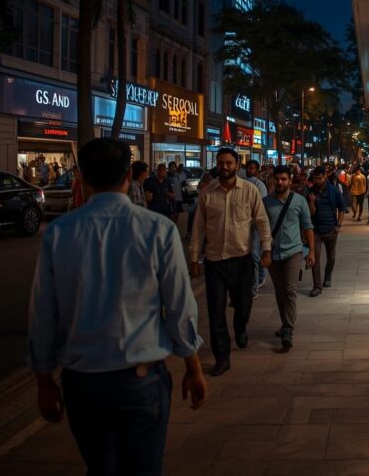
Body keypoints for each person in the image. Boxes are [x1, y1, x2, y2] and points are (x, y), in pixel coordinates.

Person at [27, 138, 207, 474]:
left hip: (81, 382)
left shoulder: (59, 233)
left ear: (82, 178)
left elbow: (42, 314)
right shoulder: (158, 229)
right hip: (140, 381)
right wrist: (192, 368)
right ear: (128, 176)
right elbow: (180, 307)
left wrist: (43, 380)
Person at [189, 148, 271, 376]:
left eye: (229, 163)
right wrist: (194, 257)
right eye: (221, 163)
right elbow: (198, 227)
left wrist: (266, 249)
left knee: (243, 304)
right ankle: (222, 357)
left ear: (237, 165)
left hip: (242, 259)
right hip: (215, 261)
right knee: (215, 312)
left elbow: (262, 221)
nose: (224, 167)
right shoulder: (207, 192)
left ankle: (240, 326)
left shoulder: (249, 190)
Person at [263, 166, 316, 350]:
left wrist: (312, 252)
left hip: (294, 251)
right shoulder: (266, 202)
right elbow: (260, 228)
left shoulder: (299, 201)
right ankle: (285, 322)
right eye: (277, 179)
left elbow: (308, 226)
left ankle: (288, 328)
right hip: (272, 253)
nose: (280, 182)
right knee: (279, 291)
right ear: (272, 180)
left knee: (290, 289)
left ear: (289, 180)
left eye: (284, 179)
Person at [307, 166, 347, 297]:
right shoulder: (311, 191)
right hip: (316, 230)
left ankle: (328, 274)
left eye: (320, 178)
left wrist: (338, 226)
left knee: (331, 256)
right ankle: (317, 286)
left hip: (331, 229)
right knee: (315, 258)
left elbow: (341, 209)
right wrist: (312, 202)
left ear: (325, 176)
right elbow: (311, 213)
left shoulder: (334, 190)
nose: (317, 181)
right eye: (315, 178)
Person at [244, 160, 269, 298]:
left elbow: (262, 206)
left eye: (252, 168)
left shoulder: (259, 185)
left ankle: (254, 287)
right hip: (244, 224)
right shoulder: (243, 183)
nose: (249, 170)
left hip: (255, 224)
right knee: (253, 254)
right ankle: (260, 276)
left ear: (257, 170)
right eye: (248, 167)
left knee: (253, 255)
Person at [169, 162, 185, 227]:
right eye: (172, 167)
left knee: (177, 215)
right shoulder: (168, 176)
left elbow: (184, 178)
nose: (173, 168)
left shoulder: (178, 175)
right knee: (172, 215)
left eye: (174, 166)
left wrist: (180, 171)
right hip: (171, 198)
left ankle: (174, 227)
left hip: (178, 198)